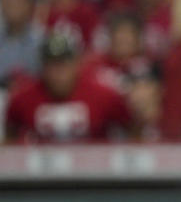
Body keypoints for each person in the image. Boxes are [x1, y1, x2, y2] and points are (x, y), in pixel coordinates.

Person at [5, 33, 134, 142]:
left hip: (94, 169)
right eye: (52, 64)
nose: (58, 72)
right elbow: (10, 134)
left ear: (77, 64)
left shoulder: (103, 96)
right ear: (42, 67)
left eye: (64, 64)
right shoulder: (23, 98)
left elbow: (130, 127)